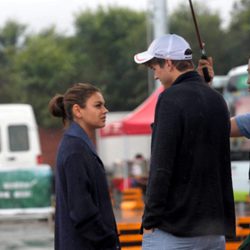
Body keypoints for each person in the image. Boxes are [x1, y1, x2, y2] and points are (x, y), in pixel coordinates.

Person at [134, 34, 235, 249]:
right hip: (214, 230)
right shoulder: (217, 100)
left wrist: (149, 220)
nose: (155, 76)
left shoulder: (170, 99)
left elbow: (161, 166)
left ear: (169, 63)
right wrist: (204, 85)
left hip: (175, 230)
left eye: (155, 68)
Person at [49, 83, 120, 250]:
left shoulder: (78, 145)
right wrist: (108, 241)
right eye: (98, 105)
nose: (105, 110)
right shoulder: (75, 149)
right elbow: (82, 211)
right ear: (77, 111)